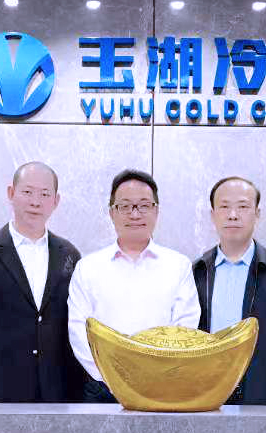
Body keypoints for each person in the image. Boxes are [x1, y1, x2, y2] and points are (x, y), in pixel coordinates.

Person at [68, 169, 201, 402]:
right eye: (125, 206)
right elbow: (79, 332)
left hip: (163, 385)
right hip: (102, 388)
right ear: (112, 213)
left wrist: (154, 376)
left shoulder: (178, 266)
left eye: (144, 205)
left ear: (156, 211)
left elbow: (185, 329)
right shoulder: (87, 268)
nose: (135, 214)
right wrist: (110, 377)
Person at [0, 161, 83, 402]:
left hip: (57, 397)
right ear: (11, 193)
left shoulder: (69, 254)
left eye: (44, 194)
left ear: (56, 201)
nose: (36, 202)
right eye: (27, 192)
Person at [192, 177, 266, 405]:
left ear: (257, 213)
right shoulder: (196, 271)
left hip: (262, 403)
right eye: (224, 206)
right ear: (213, 215)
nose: (233, 215)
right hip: (206, 400)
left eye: (243, 206)